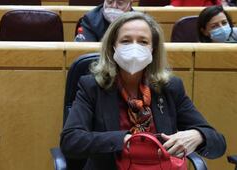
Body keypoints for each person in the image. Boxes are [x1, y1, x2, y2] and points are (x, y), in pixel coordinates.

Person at [60, 12, 226, 169]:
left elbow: (218, 144)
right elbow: (71, 141)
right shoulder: (92, 86)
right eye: (125, 41)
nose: (134, 47)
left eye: (143, 42)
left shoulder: (169, 87)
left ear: (152, 49)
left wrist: (199, 136)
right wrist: (125, 140)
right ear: (113, 47)